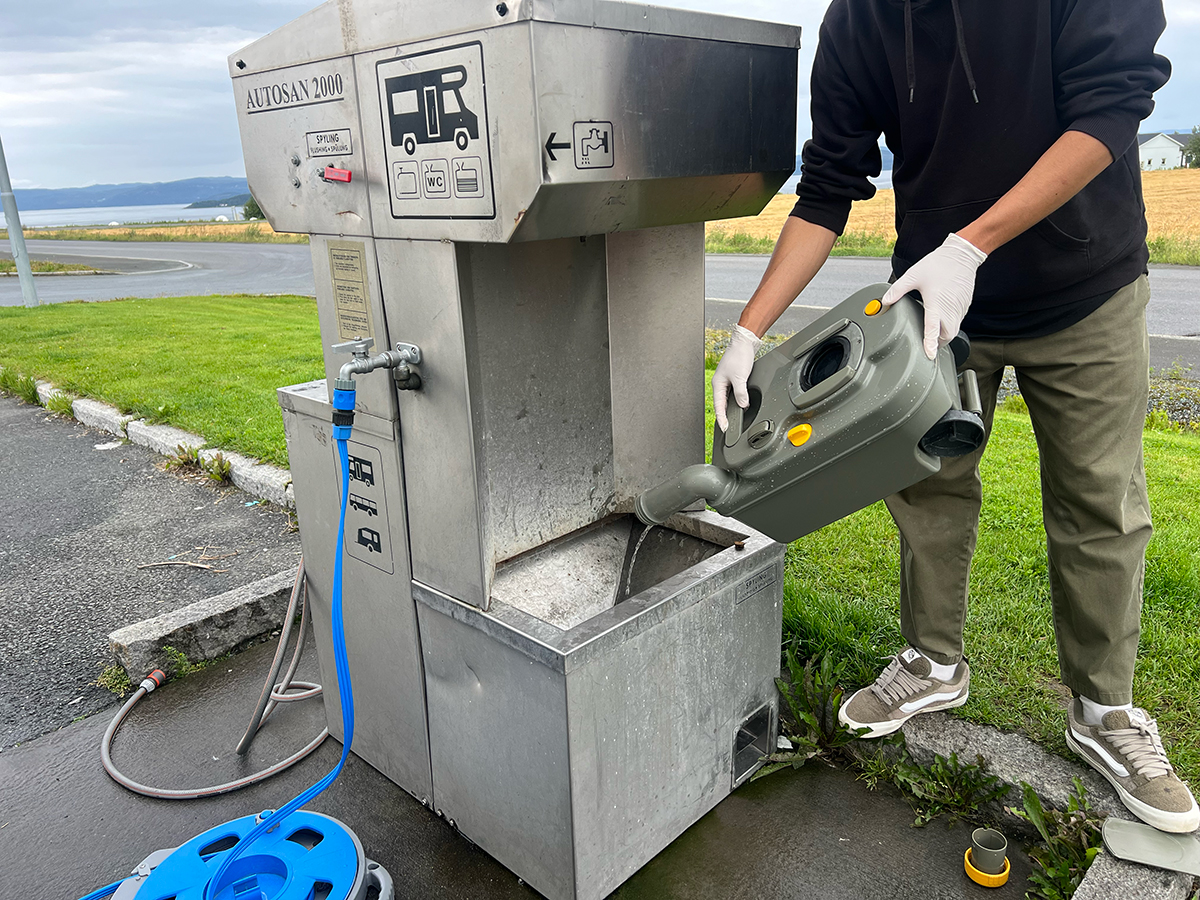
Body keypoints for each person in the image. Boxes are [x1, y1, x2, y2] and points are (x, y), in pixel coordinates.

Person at [713, 0, 1198, 833]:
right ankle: (934, 660)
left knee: (1099, 502)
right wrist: (750, 331)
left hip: (1084, 285)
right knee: (928, 484)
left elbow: (1113, 106)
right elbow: (830, 183)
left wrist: (973, 245)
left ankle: (1104, 711)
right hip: (936, 303)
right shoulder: (861, 18)